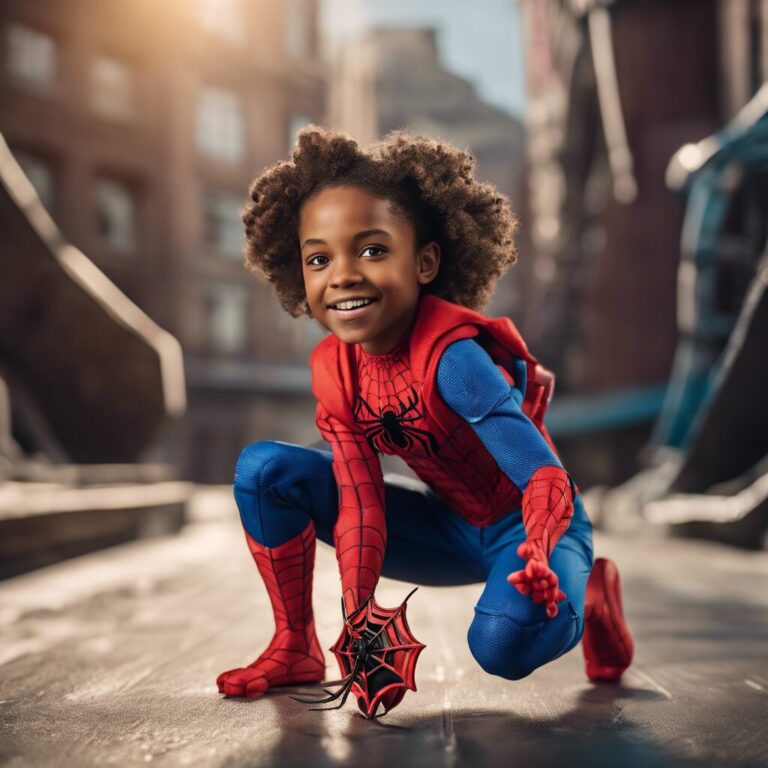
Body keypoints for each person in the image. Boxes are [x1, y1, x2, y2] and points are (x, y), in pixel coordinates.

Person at [216, 126, 634, 713]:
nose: (342, 275)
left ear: (426, 261)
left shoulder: (454, 360)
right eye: (318, 258)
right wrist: (358, 626)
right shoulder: (335, 369)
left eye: (372, 249)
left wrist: (539, 552)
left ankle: (586, 592)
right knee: (265, 470)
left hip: (531, 533)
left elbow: (545, 477)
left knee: (502, 646)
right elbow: (360, 505)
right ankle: (294, 646)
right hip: (443, 527)